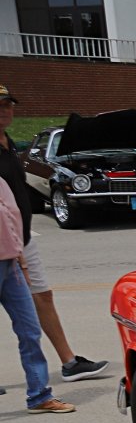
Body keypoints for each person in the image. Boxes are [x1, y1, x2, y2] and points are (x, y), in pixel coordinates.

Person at [0, 84, 108, 383]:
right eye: (0, 106)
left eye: (8, 104)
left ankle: (70, 362)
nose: (5, 110)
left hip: (22, 237)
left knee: (43, 296)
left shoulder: (8, 143)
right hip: (4, 243)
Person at [0, 165, 72, 413]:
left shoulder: (1, 183)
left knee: (30, 330)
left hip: (11, 267)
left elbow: (13, 220)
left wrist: (22, 263)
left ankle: (40, 396)